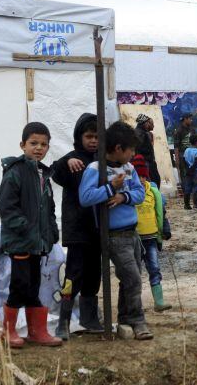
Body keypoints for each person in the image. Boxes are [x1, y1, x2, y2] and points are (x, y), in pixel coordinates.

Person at [78, 121, 153, 340]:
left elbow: (140, 193)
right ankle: (138, 320)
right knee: (133, 279)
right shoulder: (96, 169)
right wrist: (111, 188)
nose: (133, 154)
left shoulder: (129, 169)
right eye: (131, 149)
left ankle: (125, 319)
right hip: (114, 236)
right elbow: (86, 197)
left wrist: (123, 196)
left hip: (132, 233)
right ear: (119, 148)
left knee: (130, 279)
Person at [0, 122, 62, 348]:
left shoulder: (44, 174)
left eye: (43, 144)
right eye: (33, 143)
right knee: (20, 284)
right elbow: (5, 206)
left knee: (34, 285)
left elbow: (50, 209)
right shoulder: (16, 172)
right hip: (21, 241)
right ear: (22, 145)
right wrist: (25, 227)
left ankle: (37, 332)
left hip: (38, 243)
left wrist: (52, 231)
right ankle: (8, 331)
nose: (38, 148)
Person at [50, 113, 104, 341]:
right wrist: (66, 162)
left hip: (97, 231)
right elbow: (53, 170)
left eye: (97, 137)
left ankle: (89, 318)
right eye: (89, 136)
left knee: (94, 275)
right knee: (74, 275)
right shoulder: (74, 160)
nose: (93, 141)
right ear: (79, 136)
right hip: (78, 231)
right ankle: (63, 322)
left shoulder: (104, 160)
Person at [131, 155, 173, 312]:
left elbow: (161, 213)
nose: (141, 179)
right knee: (135, 272)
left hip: (151, 238)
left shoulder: (153, 193)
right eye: (138, 176)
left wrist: (165, 229)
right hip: (134, 239)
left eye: (143, 176)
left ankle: (159, 301)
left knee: (154, 268)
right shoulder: (130, 193)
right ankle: (136, 305)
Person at [134, 113, 161, 188]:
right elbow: (138, 148)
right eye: (149, 123)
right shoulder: (140, 133)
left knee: (154, 181)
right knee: (152, 182)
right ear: (144, 123)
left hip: (147, 161)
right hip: (146, 162)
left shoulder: (142, 133)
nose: (151, 125)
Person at [173, 113, 195, 191]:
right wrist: (177, 158)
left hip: (192, 154)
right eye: (190, 119)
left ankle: (193, 190)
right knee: (184, 173)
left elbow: (196, 142)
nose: (191, 120)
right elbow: (176, 146)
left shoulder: (192, 129)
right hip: (183, 155)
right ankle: (186, 191)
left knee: (193, 172)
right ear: (185, 119)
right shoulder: (179, 130)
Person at [183, 134, 197, 210]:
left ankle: (187, 205)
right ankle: (196, 204)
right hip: (196, 171)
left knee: (187, 187)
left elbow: (184, 161)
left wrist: (188, 169)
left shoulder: (186, 150)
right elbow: (196, 163)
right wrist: (192, 169)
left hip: (188, 172)